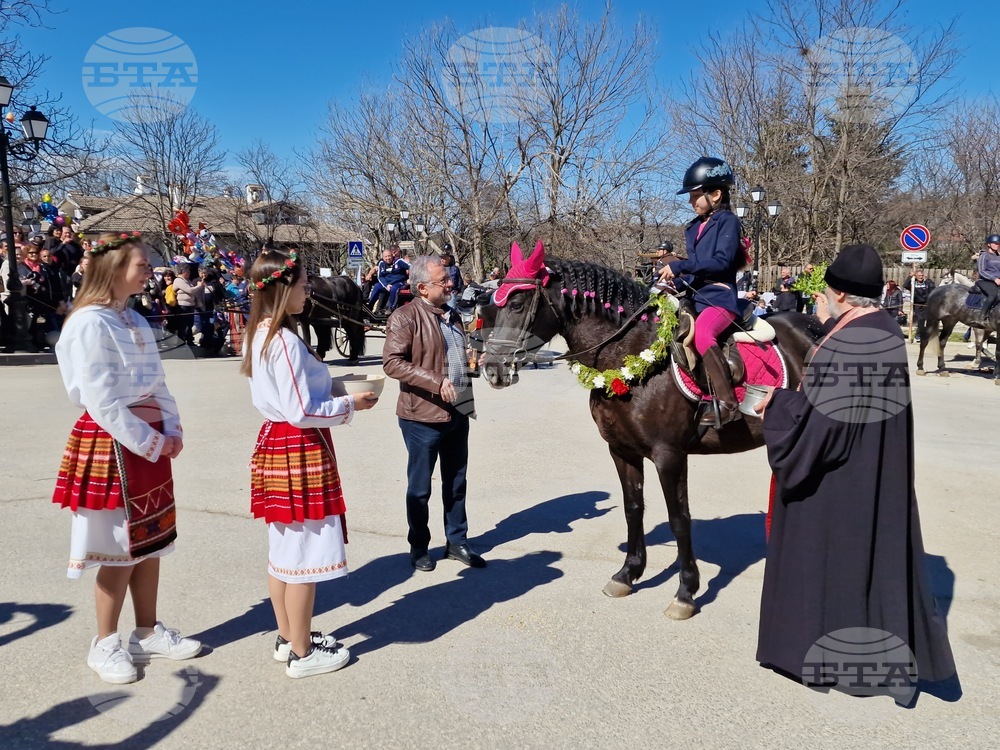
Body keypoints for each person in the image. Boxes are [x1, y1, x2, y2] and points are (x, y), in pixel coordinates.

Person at [754, 244, 956, 702]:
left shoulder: (853, 344)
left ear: (842, 294)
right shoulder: (879, 328)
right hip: (867, 468)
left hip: (839, 478)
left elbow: (821, 428)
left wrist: (778, 404)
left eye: (827, 292)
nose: (823, 299)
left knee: (830, 559)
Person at [51, 231, 201, 685]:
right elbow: (101, 399)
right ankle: (104, 642)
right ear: (115, 269)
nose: (149, 271)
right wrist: (150, 441)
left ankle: (147, 631)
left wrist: (172, 429)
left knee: (150, 540)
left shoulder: (132, 317)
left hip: (147, 438)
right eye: (142, 264)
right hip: (115, 442)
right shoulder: (89, 323)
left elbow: (157, 382)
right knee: (118, 547)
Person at [241, 248, 378, 679]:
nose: (308, 292)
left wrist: (332, 385)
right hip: (297, 446)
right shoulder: (282, 340)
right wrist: (350, 404)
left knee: (284, 550)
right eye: (302, 286)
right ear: (283, 289)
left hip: (277, 441)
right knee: (304, 553)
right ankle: (302, 654)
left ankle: (289, 637)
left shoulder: (260, 333)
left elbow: (294, 392)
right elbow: (301, 410)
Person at [382, 254, 484, 572]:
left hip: (457, 411)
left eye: (449, 278)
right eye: (444, 280)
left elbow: (452, 357)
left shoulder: (451, 315)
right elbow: (392, 363)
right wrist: (436, 381)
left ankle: (457, 542)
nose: (451, 284)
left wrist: (472, 362)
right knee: (420, 488)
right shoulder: (405, 317)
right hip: (421, 417)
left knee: (456, 482)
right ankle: (419, 546)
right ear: (423, 287)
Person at [657, 156, 744, 427]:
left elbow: (721, 263)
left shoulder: (728, 222)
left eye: (695, 196)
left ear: (715, 194)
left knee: (704, 334)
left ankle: (729, 404)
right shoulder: (693, 227)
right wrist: (675, 283)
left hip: (720, 299)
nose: (690, 201)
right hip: (695, 297)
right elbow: (696, 273)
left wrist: (679, 266)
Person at [905, 268, 935, 342]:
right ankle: (918, 336)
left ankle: (920, 336)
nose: (921, 277)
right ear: (916, 276)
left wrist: (928, 280)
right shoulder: (913, 282)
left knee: (924, 320)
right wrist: (910, 277)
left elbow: (933, 288)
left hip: (926, 304)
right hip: (917, 304)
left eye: (922, 275)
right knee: (920, 320)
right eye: (919, 276)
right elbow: (905, 285)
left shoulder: (927, 283)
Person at [975, 233, 1000, 314]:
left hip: (998, 281)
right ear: (989, 244)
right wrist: (994, 279)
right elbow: (982, 271)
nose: (997, 245)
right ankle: (982, 316)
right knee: (993, 295)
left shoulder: (999, 257)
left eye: (998, 244)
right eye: (995, 243)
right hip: (984, 281)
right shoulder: (984, 256)